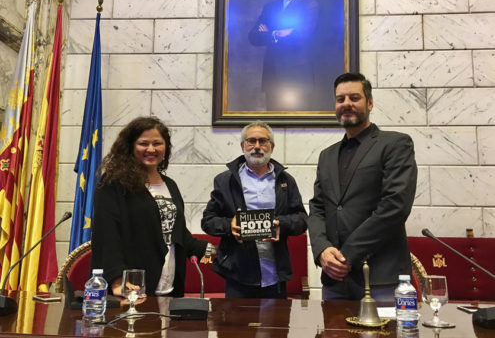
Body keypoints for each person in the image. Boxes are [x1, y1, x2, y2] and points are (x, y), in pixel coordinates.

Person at [308, 73, 418, 302]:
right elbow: (318, 207)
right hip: (335, 281)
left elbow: (394, 206)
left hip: (381, 278)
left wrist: (347, 256)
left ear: (369, 103)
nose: (346, 103)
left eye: (354, 97)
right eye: (340, 99)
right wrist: (321, 250)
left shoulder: (395, 144)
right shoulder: (326, 156)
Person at [91, 116, 214, 297]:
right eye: (143, 143)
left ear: (166, 147)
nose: (151, 149)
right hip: (132, 286)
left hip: (170, 284)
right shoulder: (113, 183)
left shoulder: (170, 184)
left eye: (157, 143)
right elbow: (107, 233)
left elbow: (175, 229)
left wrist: (212, 249)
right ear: (131, 146)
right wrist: (117, 279)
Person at [201, 121, 307, 298]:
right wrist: (230, 225)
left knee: (276, 326)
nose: (257, 146)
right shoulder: (225, 181)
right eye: (251, 141)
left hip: (275, 274)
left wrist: (283, 225)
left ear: (271, 146)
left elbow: (302, 219)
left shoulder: (286, 181)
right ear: (243, 145)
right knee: (237, 327)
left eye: (263, 141)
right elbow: (208, 221)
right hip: (238, 274)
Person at [248, 0, 319, 111]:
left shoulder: (310, 4)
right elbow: (253, 36)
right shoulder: (270, 7)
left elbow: (301, 37)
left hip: (298, 77)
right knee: (274, 123)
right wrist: (279, 33)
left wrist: (269, 32)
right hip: (272, 75)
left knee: (298, 126)